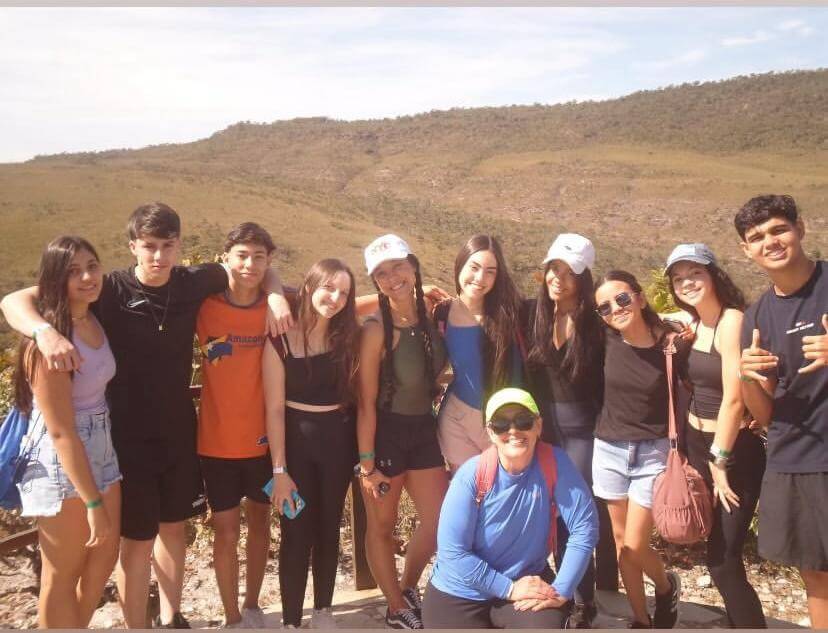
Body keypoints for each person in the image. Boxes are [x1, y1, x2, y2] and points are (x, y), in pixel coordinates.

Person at [0, 202, 292, 628]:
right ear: (132, 246)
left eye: (168, 246)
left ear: (179, 246)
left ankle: (172, 618)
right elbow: (14, 299)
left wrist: (278, 297)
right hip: (124, 439)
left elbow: (255, 267)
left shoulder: (195, 280)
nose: (159, 256)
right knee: (136, 542)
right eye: (149, 246)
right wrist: (43, 331)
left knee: (174, 529)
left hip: (178, 432)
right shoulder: (108, 289)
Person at [12, 236, 121, 628]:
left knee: (104, 557)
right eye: (74, 271)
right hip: (62, 459)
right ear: (56, 279)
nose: (88, 277)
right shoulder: (48, 345)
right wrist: (92, 503)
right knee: (62, 573)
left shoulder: (92, 315)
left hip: (102, 445)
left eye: (92, 266)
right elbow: (61, 433)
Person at [422, 387, 598, 629]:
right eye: (501, 424)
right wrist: (509, 588)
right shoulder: (471, 476)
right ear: (490, 433)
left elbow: (584, 527)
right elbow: (453, 553)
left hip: (525, 579)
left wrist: (562, 590)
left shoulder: (555, 463)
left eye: (523, 421)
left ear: (538, 426)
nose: (513, 430)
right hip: (462, 589)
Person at [735, 195, 828, 629]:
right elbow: (765, 414)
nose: (769, 242)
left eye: (778, 229)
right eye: (757, 237)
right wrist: (748, 378)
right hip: (796, 457)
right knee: (817, 575)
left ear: (800, 228)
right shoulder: (756, 317)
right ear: (746, 250)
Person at [664, 243, 767, 628]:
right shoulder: (696, 323)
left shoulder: (731, 321)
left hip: (733, 451)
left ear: (714, 275)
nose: (687, 282)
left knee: (723, 559)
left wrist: (719, 460)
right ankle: (736, 620)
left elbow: (735, 399)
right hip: (697, 442)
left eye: (696, 273)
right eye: (678, 278)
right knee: (711, 542)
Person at [356, 234, 449, 629]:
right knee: (381, 525)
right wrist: (367, 465)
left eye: (397, 266)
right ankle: (395, 607)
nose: (391, 277)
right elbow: (365, 401)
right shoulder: (376, 329)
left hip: (424, 428)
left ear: (413, 265)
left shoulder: (433, 313)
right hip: (386, 434)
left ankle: (407, 588)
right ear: (375, 282)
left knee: (439, 521)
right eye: (381, 273)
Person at [263, 258, 361, 629]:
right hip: (295, 448)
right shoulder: (280, 337)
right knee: (295, 531)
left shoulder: (346, 338)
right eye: (328, 288)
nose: (335, 298)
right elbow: (274, 408)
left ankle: (323, 612)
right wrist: (279, 469)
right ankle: (290, 621)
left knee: (328, 528)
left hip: (338, 445)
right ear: (308, 287)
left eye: (343, 293)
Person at [523, 233, 615, 628]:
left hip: (581, 432)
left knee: (574, 516)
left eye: (568, 272)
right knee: (542, 512)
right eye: (553, 269)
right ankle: (557, 588)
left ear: (583, 278)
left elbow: (640, 331)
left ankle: (582, 599)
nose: (557, 279)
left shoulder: (597, 322)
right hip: (540, 429)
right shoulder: (533, 314)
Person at [592, 270, 685, 629]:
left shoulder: (672, 345)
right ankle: (641, 620)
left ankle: (665, 586)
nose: (615, 309)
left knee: (634, 542)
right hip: (609, 450)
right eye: (605, 307)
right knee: (621, 541)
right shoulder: (604, 339)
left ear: (640, 297)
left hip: (652, 453)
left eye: (622, 298)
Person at [195, 223, 277, 628]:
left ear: (269, 261)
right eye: (242, 255)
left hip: (264, 445)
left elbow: (333, 297)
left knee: (260, 523)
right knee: (225, 532)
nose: (250, 264)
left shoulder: (275, 306)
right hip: (216, 444)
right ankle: (231, 618)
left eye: (259, 257)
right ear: (225, 257)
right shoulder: (203, 306)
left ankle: (252, 605)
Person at [435, 235, 524, 473]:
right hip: (457, 421)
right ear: (460, 265)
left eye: (490, 272)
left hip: (504, 423)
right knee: (468, 490)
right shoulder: (441, 313)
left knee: (501, 490)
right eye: (473, 267)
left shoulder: (512, 314)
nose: (480, 278)